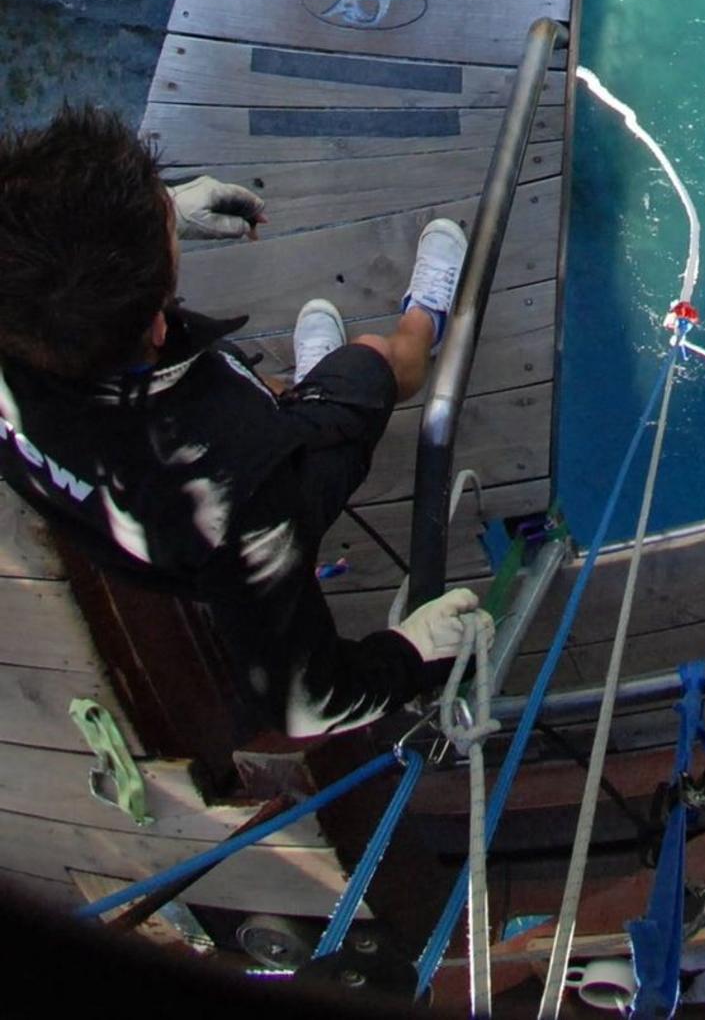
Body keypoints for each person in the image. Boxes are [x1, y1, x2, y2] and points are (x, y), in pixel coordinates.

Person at [0, 107, 482, 738]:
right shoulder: (234, 488)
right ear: (157, 323)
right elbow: (308, 704)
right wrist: (415, 655)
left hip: (134, 524)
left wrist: (159, 210)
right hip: (250, 500)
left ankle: (302, 386)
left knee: (269, 397)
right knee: (372, 364)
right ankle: (420, 325)